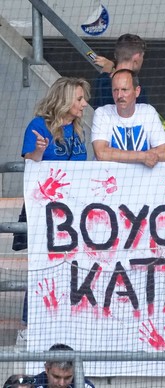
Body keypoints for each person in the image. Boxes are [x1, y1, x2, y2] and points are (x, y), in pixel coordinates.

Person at [16, 77, 91, 343]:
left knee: (72, 267)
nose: (84, 104)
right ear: (65, 99)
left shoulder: (79, 129)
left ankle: (65, 323)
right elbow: (31, 163)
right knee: (42, 266)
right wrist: (38, 152)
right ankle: (29, 326)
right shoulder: (39, 125)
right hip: (44, 211)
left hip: (72, 212)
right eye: (80, 99)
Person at [91, 69, 165, 167]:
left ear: (137, 91)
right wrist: (142, 157)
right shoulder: (102, 113)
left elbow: (164, 152)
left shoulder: (148, 112)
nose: (119, 95)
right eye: (115, 90)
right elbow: (101, 153)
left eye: (124, 90)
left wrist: (119, 156)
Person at [91, 33, 148, 108]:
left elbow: (104, 75)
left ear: (115, 55)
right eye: (142, 56)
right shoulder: (137, 90)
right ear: (136, 57)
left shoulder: (102, 81)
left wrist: (108, 64)